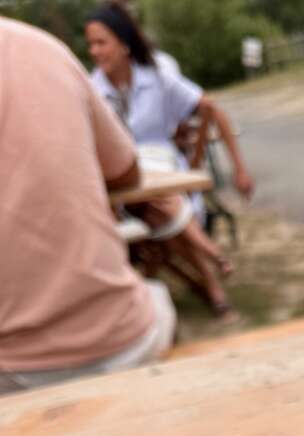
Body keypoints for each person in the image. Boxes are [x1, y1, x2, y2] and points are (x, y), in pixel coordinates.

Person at [0, 17, 175, 395]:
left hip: (11, 369)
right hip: (117, 341)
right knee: (158, 293)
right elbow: (127, 172)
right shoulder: (41, 48)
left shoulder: (155, 76)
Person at [85, 2, 254, 314]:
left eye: (101, 43)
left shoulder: (157, 77)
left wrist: (239, 169)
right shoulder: (89, 90)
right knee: (160, 201)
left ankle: (212, 282)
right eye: (90, 44)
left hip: (162, 173)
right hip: (123, 187)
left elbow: (211, 109)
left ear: (123, 44)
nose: (94, 51)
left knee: (159, 205)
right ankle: (211, 263)